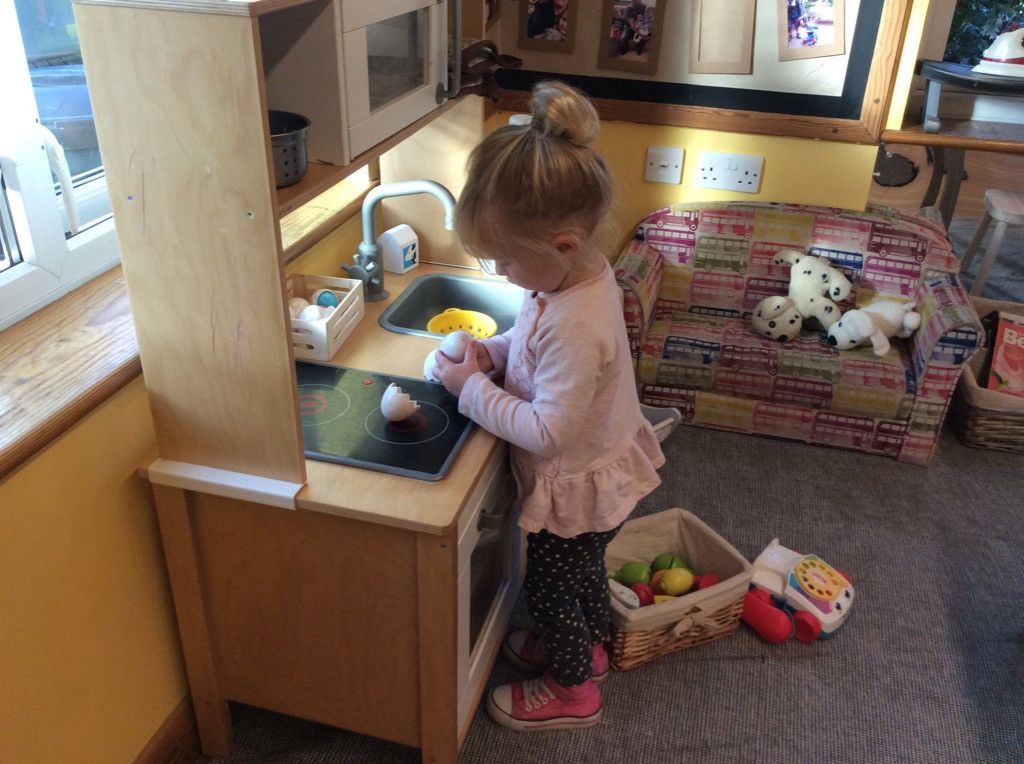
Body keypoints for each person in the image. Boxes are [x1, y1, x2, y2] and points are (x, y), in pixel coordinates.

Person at [430, 81, 665, 732]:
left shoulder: (577, 321)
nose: (500, 272)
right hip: (602, 470)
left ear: (561, 241)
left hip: (579, 483)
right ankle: (586, 648)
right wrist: (495, 354)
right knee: (584, 576)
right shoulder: (573, 280)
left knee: (552, 586)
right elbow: (533, 343)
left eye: (503, 260)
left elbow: (548, 431)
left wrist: (470, 391)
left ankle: (572, 688)